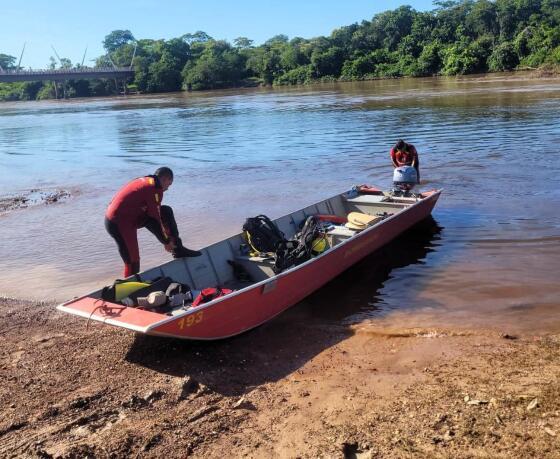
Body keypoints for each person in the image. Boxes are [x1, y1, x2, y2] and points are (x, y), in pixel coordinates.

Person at [105, 167, 201, 278]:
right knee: (133, 260)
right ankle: (130, 289)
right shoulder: (153, 188)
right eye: (169, 185)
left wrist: (166, 240)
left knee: (166, 211)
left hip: (131, 216)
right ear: (165, 179)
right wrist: (165, 241)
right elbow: (155, 220)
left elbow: (156, 216)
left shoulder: (147, 180)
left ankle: (178, 249)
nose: (167, 189)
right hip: (119, 223)